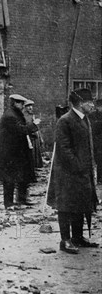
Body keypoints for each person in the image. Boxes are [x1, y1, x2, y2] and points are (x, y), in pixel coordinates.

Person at [46, 88, 98, 254]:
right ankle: (65, 240)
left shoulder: (84, 119)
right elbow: (64, 148)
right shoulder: (65, 120)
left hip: (82, 172)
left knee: (81, 204)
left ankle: (77, 237)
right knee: (66, 206)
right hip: (68, 173)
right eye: (91, 102)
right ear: (81, 103)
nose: (93, 105)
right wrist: (78, 166)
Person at [0, 94, 39, 209]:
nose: (22, 105)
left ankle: (21, 200)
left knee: (23, 176)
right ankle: (8, 203)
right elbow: (20, 130)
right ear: (14, 103)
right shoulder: (10, 116)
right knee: (9, 178)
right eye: (20, 103)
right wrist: (34, 125)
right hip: (10, 153)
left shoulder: (16, 114)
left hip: (18, 151)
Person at [24, 99, 44, 169]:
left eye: (31, 106)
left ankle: (36, 166)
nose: (30, 108)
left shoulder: (32, 115)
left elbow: (37, 127)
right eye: (28, 106)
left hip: (35, 136)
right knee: (31, 153)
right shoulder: (23, 117)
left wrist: (40, 137)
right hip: (30, 137)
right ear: (25, 107)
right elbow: (26, 127)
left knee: (36, 152)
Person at [90, 99, 102, 184]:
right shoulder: (92, 115)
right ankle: (99, 178)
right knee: (99, 160)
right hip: (97, 141)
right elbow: (93, 127)